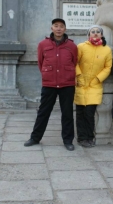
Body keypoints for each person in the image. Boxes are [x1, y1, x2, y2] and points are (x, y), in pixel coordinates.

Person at [24, 18, 78, 151]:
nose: (58, 28)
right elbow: (40, 63)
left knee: (67, 113)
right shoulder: (43, 44)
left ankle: (68, 140)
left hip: (67, 83)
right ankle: (35, 137)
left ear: (65, 29)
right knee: (43, 111)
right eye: (56, 26)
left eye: (61, 26)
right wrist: (48, 75)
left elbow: (74, 62)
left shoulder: (72, 46)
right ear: (51, 28)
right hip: (49, 84)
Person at [74, 25, 112, 147]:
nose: (95, 34)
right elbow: (74, 62)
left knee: (89, 113)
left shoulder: (106, 50)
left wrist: (97, 79)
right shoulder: (81, 47)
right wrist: (79, 76)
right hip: (81, 84)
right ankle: (81, 137)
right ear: (88, 34)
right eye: (93, 32)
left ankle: (90, 137)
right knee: (80, 113)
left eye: (98, 32)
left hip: (95, 85)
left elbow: (108, 67)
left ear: (102, 35)